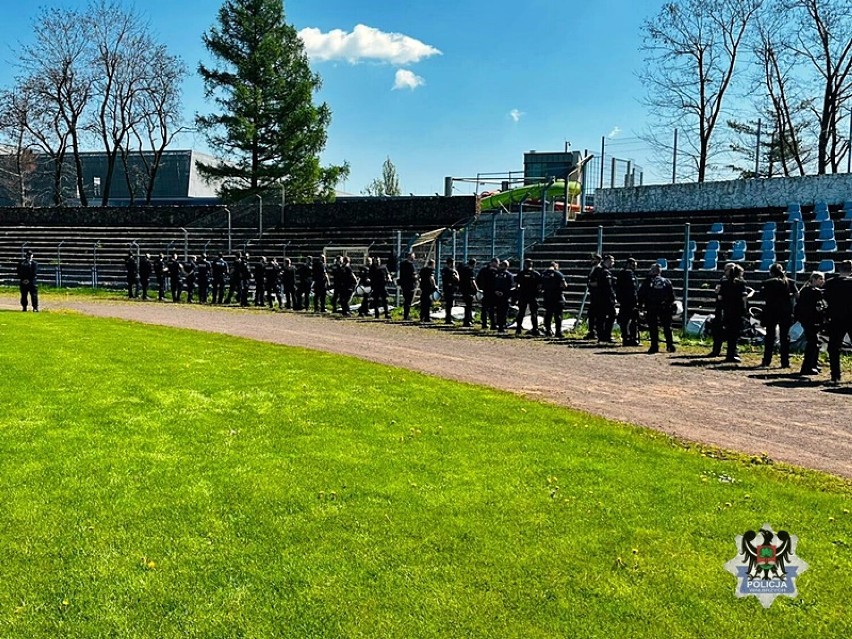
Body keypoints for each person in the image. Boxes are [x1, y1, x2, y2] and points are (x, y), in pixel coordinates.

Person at [758, 263, 797, 368]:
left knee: (770, 336)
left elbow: (762, 295)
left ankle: (767, 360)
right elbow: (797, 294)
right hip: (786, 312)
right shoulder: (790, 282)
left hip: (771, 311)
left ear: (771, 272)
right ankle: (785, 362)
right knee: (785, 337)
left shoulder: (767, 282)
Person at [823, 259, 852, 384]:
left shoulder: (830, 283)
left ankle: (836, 376)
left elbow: (825, 300)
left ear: (839, 269)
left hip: (836, 319)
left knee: (834, 348)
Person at [638, 263, 676, 354]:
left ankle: (654, 346)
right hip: (665, 307)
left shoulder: (648, 281)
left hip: (651, 307)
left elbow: (641, 294)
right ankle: (670, 345)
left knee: (653, 327)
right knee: (667, 327)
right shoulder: (666, 281)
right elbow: (672, 296)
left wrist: (640, 305)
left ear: (652, 271)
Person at [795, 271, 826, 376]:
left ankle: (813, 364)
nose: (822, 281)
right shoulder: (812, 292)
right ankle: (807, 367)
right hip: (811, 320)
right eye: (820, 279)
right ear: (814, 279)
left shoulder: (806, 290)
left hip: (809, 320)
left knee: (815, 342)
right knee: (812, 342)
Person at [718, 263, 750, 363]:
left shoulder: (724, 282)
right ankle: (732, 354)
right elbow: (744, 298)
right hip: (737, 311)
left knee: (730, 333)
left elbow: (720, 297)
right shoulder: (741, 283)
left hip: (727, 310)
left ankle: (730, 353)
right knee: (735, 334)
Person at [707, 263, 735, 357]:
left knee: (732, 332)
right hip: (721, 309)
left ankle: (732, 352)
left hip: (732, 309)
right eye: (729, 269)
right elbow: (717, 291)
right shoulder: (723, 280)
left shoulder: (737, 281)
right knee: (717, 330)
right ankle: (716, 350)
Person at [592, 254, 617, 343]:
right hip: (604, 298)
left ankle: (603, 335)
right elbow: (592, 283)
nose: (613, 264)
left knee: (604, 317)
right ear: (608, 261)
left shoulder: (606, 271)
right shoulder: (600, 271)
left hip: (604, 298)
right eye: (612, 261)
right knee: (607, 316)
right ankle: (604, 335)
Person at [615, 257, 640, 346]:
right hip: (626, 301)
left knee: (634, 320)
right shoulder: (623, 275)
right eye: (633, 265)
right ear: (629, 264)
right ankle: (626, 338)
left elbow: (636, 289)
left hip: (633, 301)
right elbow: (619, 288)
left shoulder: (633, 275)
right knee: (624, 320)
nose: (635, 267)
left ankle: (633, 338)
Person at [514, 258, 541, 335]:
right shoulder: (536, 274)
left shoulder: (521, 274)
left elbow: (516, 285)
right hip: (532, 295)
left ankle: (518, 328)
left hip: (523, 295)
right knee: (534, 313)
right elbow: (539, 286)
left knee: (521, 312)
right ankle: (535, 329)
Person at [541, 262, 567, 337]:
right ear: (555, 266)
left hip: (547, 296)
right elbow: (564, 285)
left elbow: (540, 286)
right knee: (558, 315)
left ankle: (548, 331)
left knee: (548, 314)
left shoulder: (543, 274)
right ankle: (558, 332)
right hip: (557, 297)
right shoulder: (558, 274)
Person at [492, 260, 515, 333]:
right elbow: (511, 286)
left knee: (498, 311)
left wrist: (496, 291)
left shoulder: (496, 274)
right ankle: (502, 326)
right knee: (504, 312)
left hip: (496, 295)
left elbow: (492, 284)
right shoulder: (509, 275)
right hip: (505, 296)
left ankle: (498, 325)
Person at [476, 258, 498, 330]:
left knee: (486, 308)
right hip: (489, 291)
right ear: (493, 263)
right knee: (488, 308)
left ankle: (486, 323)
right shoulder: (493, 271)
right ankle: (489, 323)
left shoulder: (484, 270)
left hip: (487, 291)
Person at [584, 254, 602, 339]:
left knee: (596, 314)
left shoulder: (599, 270)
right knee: (591, 314)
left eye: (593, 259)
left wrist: (590, 284)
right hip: (593, 296)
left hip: (597, 296)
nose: (591, 261)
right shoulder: (593, 269)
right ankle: (592, 331)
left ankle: (596, 332)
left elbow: (598, 283)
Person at [458, 258, 478, 328]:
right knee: (469, 306)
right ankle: (467, 321)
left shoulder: (463, 270)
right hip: (469, 290)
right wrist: (476, 289)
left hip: (463, 289)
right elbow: (472, 282)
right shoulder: (470, 271)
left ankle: (468, 319)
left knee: (468, 306)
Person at [398, 252, 418, 321]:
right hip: (410, 285)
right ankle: (406, 316)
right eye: (413, 257)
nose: (414, 258)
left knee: (406, 300)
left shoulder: (402, 264)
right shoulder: (411, 265)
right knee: (408, 301)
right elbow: (414, 276)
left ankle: (406, 315)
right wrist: (417, 278)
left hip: (404, 285)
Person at [441, 257, 460, 325]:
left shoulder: (445, 270)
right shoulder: (450, 271)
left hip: (448, 289)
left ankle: (448, 318)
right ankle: (448, 319)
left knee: (449, 305)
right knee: (449, 305)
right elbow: (456, 278)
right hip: (449, 289)